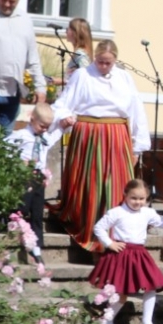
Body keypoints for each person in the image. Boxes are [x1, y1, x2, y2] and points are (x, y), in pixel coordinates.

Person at [54, 41, 150, 251]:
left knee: (117, 183)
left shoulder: (124, 78)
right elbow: (65, 102)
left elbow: (135, 110)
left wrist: (137, 146)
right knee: (90, 183)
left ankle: (116, 235)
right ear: (94, 58)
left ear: (115, 60)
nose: (104, 66)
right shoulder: (82, 75)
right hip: (88, 134)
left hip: (116, 135)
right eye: (100, 62)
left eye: (108, 63)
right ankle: (88, 229)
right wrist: (65, 117)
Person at [90, 179, 163, 324]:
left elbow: (162, 223)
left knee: (151, 286)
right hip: (121, 254)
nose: (138, 202)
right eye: (134, 198)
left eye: (142, 199)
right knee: (121, 293)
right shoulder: (117, 212)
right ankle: (107, 320)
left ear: (147, 199)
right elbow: (99, 227)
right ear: (125, 195)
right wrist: (110, 243)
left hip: (139, 254)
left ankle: (147, 319)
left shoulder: (147, 212)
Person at [6, 102, 62, 260]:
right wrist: (18, 162)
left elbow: (53, 140)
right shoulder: (21, 135)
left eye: (47, 127)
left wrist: (62, 126)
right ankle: (15, 225)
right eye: (42, 126)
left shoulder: (43, 138)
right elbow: (5, 149)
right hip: (25, 174)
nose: (44, 129)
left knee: (37, 211)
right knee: (23, 206)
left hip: (39, 176)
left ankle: (37, 245)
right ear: (32, 119)